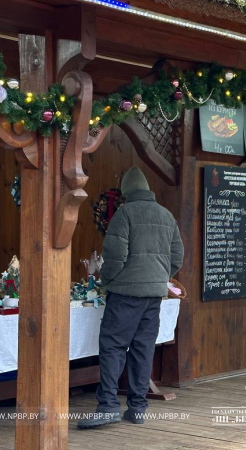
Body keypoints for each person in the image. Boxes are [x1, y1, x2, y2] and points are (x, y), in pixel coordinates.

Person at [78, 166, 184, 429]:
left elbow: (114, 257)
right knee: (142, 348)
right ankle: (137, 407)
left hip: (125, 294)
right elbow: (177, 257)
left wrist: (108, 281)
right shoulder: (166, 215)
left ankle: (108, 406)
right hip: (153, 296)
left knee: (113, 346)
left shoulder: (124, 214)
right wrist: (159, 277)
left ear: (126, 192)